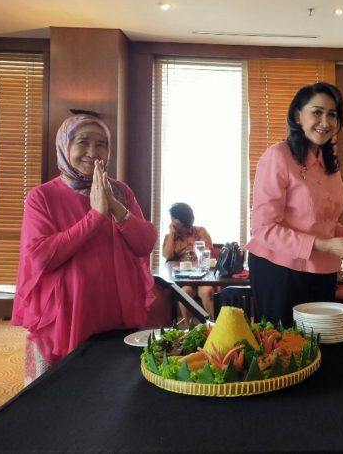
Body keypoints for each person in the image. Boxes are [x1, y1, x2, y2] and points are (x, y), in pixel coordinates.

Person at [12, 113, 158, 384]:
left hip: (117, 312)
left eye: (101, 144)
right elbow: (41, 257)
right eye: (83, 142)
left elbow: (145, 243)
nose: (93, 152)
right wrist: (95, 216)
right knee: (61, 392)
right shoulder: (42, 197)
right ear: (64, 146)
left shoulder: (121, 192)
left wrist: (116, 208)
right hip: (67, 317)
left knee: (113, 389)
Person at [246, 82, 343, 327]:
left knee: (320, 341)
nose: (325, 122)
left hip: (322, 268)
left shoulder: (329, 164)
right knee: (284, 345)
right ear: (297, 116)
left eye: (332, 114)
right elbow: (264, 229)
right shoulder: (278, 156)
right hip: (278, 269)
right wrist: (325, 244)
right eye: (317, 112)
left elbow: (323, 221)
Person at [161, 202, 216, 318]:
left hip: (202, 276)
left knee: (207, 291)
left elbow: (206, 254)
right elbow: (167, 256)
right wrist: (172, 233)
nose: (173, 222)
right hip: (183, 279)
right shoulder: (170, 238)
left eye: (175, 220)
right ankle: (188, 327)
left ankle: (213, 326)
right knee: (184, 292)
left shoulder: (200, 232)